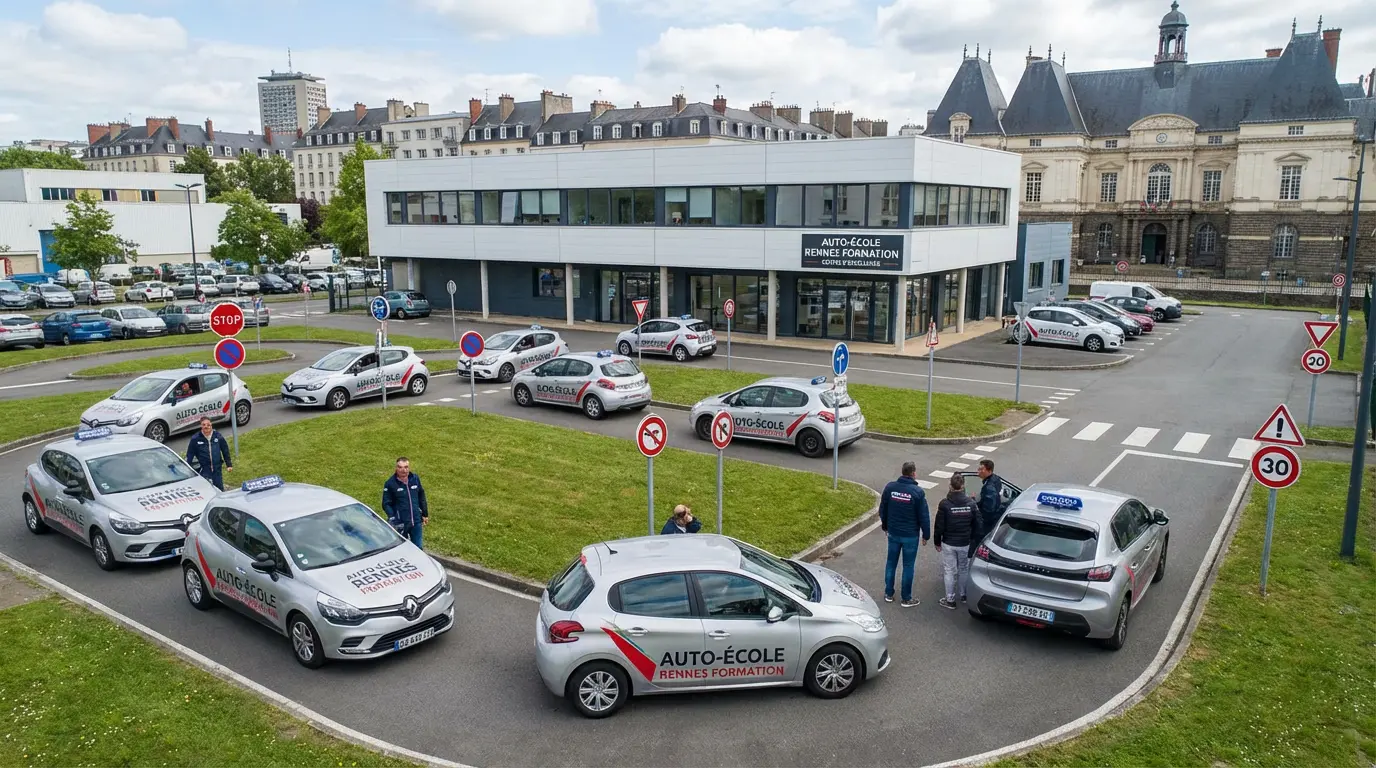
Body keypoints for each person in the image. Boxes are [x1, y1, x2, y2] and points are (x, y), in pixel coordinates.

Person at [878, 462, 930, 607]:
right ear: (913, 473)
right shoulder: (917, 492)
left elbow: (883, 509)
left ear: (902, 472)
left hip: (893, 533)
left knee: (891, 563)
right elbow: (923, 516)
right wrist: (926, 535)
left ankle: (888, 593)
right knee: (908, 566)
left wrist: (885, 526)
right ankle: (906, 598)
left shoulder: (890, 488)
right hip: (910, 535)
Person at [934, 474, 980, 609]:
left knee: (949, 570)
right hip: (965, 542)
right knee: (963, 568)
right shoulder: (971, 504)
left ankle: (950, 599)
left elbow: (939, 525)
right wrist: (973, 538)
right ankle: (963, 595)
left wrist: (937, 541)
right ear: (963, 486)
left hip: (949, 542)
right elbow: (978, 524)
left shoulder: (944, 504)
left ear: (950, 486)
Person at [383, 457, 428, 547]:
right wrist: (393, 518)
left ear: (409, 467)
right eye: (400, 467)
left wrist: (425, 513)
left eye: (406, 467)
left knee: (418, 548)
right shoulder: (390, 483)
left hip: (416, 521)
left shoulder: (415, 479)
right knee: (400, 547)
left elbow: (421, 496)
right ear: (396, 468)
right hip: (401, 523)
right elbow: (386, 504)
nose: (403, 470)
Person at [185, 416, 232, 490]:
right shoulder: (195, 439)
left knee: (219, 488)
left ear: (211, 425)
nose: (206, 427)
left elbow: (225, 450)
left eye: (208, 425)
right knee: (207, 489)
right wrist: (187, 469)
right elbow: (190, 454)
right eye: (204, 425)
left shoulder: (218, 436)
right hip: (204, 469)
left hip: (217, 469)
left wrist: (229, 464)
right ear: (201, 426)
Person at [976, 459, 1004, 539]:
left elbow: (989, 509)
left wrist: (979, 517)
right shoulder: (995, 479)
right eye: (979, 469)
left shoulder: (989, 487)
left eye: (981, 469)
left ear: (989, 471)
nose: (978, 471)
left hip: (987, 522)